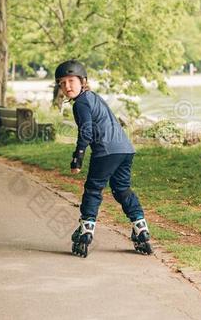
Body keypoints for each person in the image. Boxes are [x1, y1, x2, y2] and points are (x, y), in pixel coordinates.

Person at [55, 60, 153, 258]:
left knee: (93, 190)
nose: (67, 86)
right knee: (122, 189)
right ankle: (140, 228)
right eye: (62, 83)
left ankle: (85, 232)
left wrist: (78, 157)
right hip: (124, 149)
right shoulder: (93, 97)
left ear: (82, 81)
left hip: (106, 151)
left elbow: (87, 130)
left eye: (71, 81)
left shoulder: (81, 103)